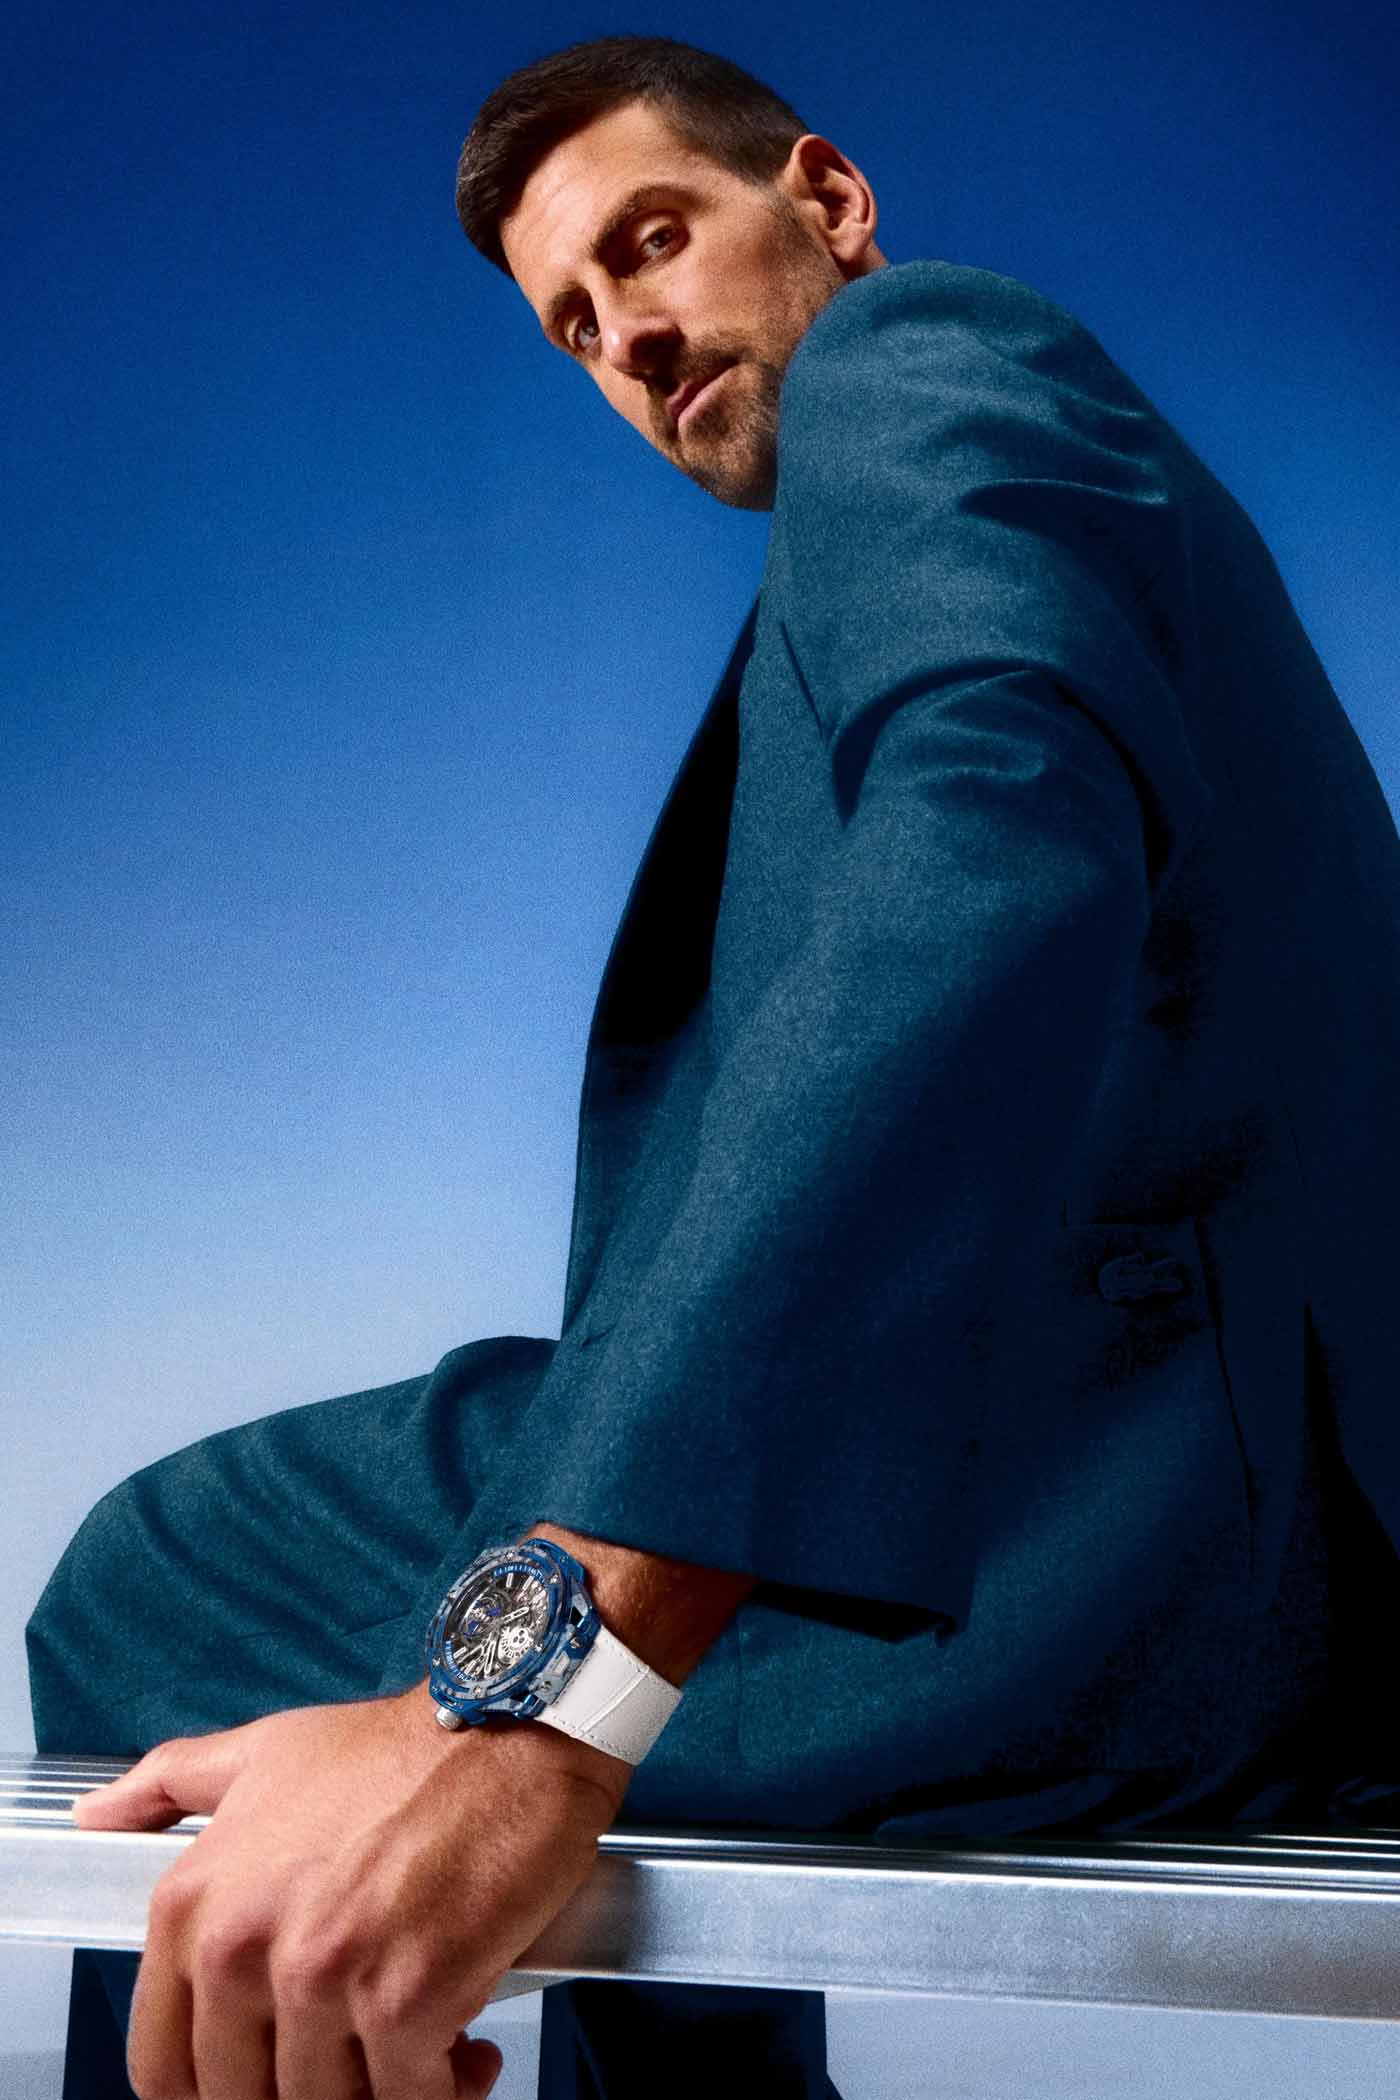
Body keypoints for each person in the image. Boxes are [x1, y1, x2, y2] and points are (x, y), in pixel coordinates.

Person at [26, 29, 1400, 2100]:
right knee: (216, 1535)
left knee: (168, 1572)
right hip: (1090, 1474)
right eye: (575, 325)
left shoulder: (925, 360)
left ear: (826, 202)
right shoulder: (890, 542)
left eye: (654, 242)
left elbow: (988, 858)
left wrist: (542, 1684)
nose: (631, 338)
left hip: (1119, 1546)